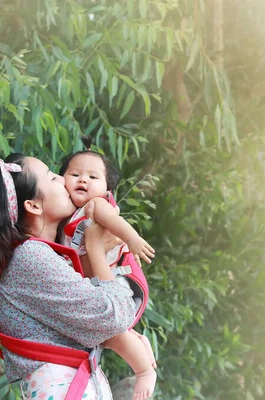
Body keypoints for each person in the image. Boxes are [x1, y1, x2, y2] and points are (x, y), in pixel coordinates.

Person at [0, 149, 137, 399]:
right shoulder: (30, 258)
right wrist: (96, 248)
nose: (63, 178)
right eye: (51, 177)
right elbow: (113, 317)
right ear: (33, 205)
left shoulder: (35, 257)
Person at [59, 148, 157, 400]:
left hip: (122, 281)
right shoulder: (66, 218)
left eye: (93, 177)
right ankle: (136, 342)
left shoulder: (95, 205)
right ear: (62, 181)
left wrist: (132, 238)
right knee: (108, 333)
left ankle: (145, 370)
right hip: (103, 283)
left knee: (110, 329)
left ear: (105, 189)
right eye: (75, 174)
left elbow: (113, 221)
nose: (83, 180)